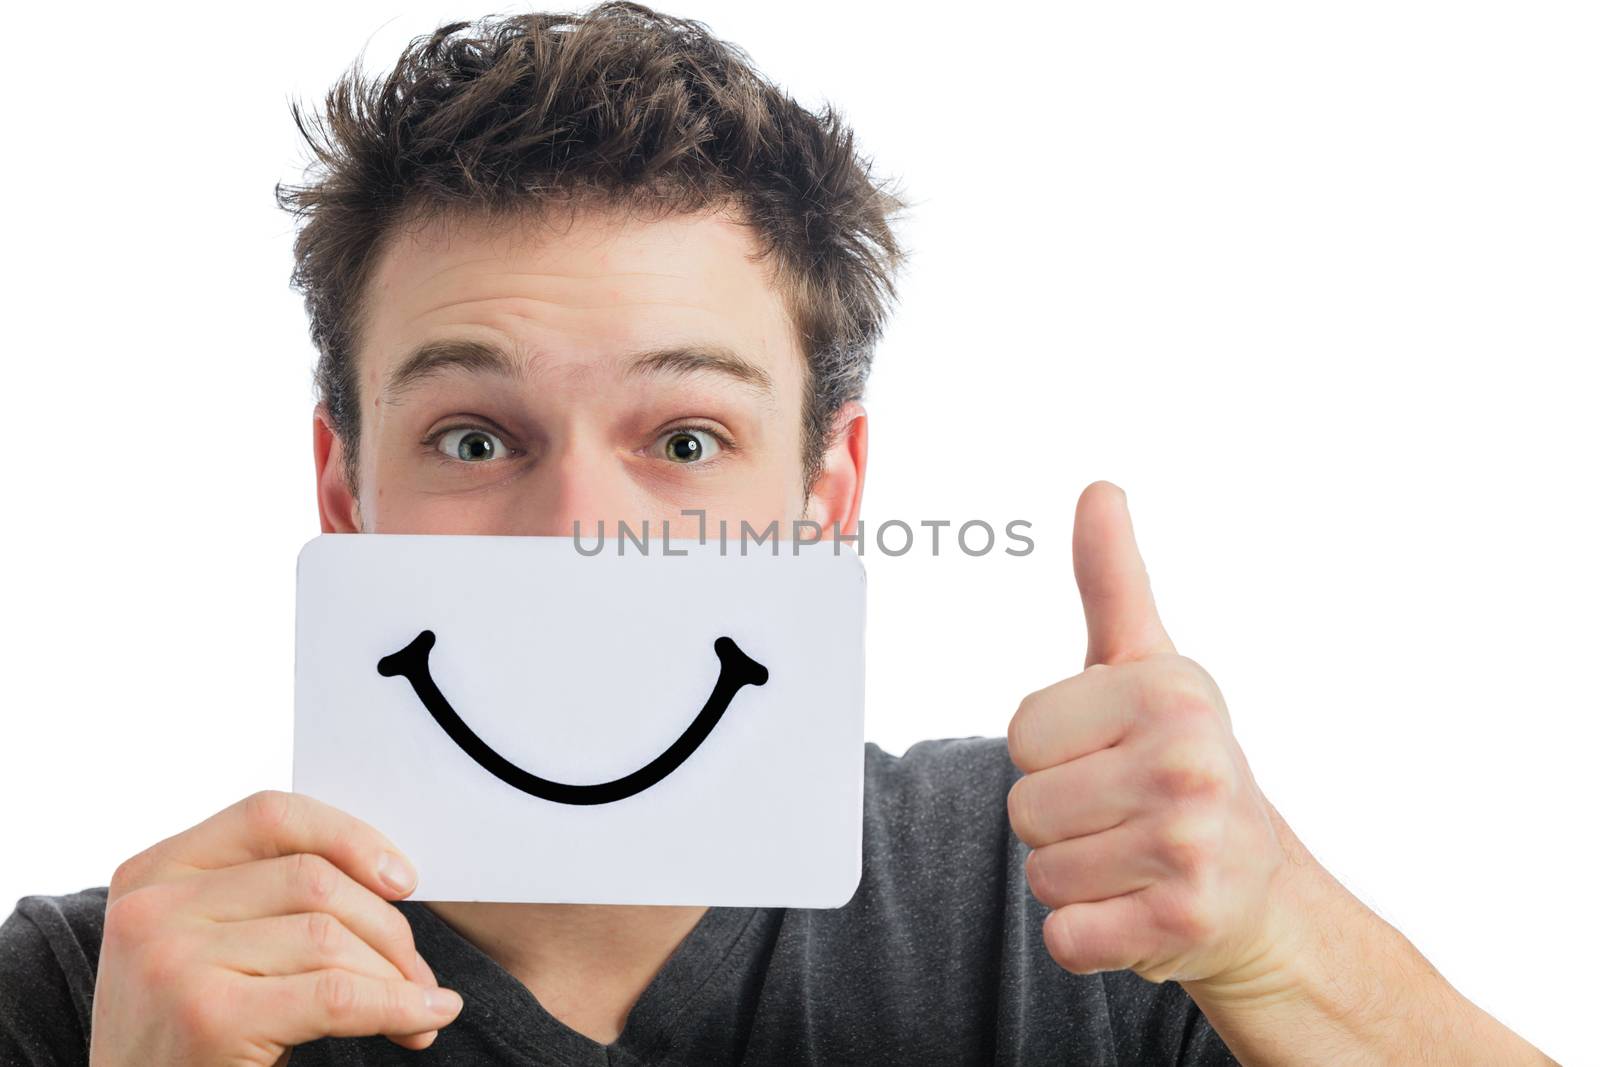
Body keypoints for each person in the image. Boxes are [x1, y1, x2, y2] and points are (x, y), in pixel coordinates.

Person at [0, 3, 1559, 1064]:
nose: (578, 535)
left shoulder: (1073, 896)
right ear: (346, 492)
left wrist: (1288, 941)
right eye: (475, 438)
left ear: (826, 498)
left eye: (686, 439)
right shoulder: (100, 988)